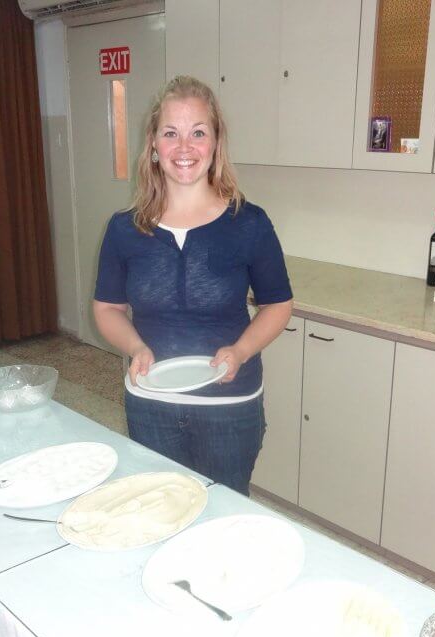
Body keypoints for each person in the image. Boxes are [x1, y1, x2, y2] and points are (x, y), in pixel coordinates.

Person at [93, 75, 293, 495]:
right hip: (152, 403)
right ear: (153, 145)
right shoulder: (123, 229)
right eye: (171, 133)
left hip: (229, 406)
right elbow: (107, 309)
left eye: (198, 133)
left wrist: (240, 350)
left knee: (224, 517)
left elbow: (278, 306)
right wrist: (136, 348)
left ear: (216, 144)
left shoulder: (249, 223)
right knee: (161, 509)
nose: (184, 148)